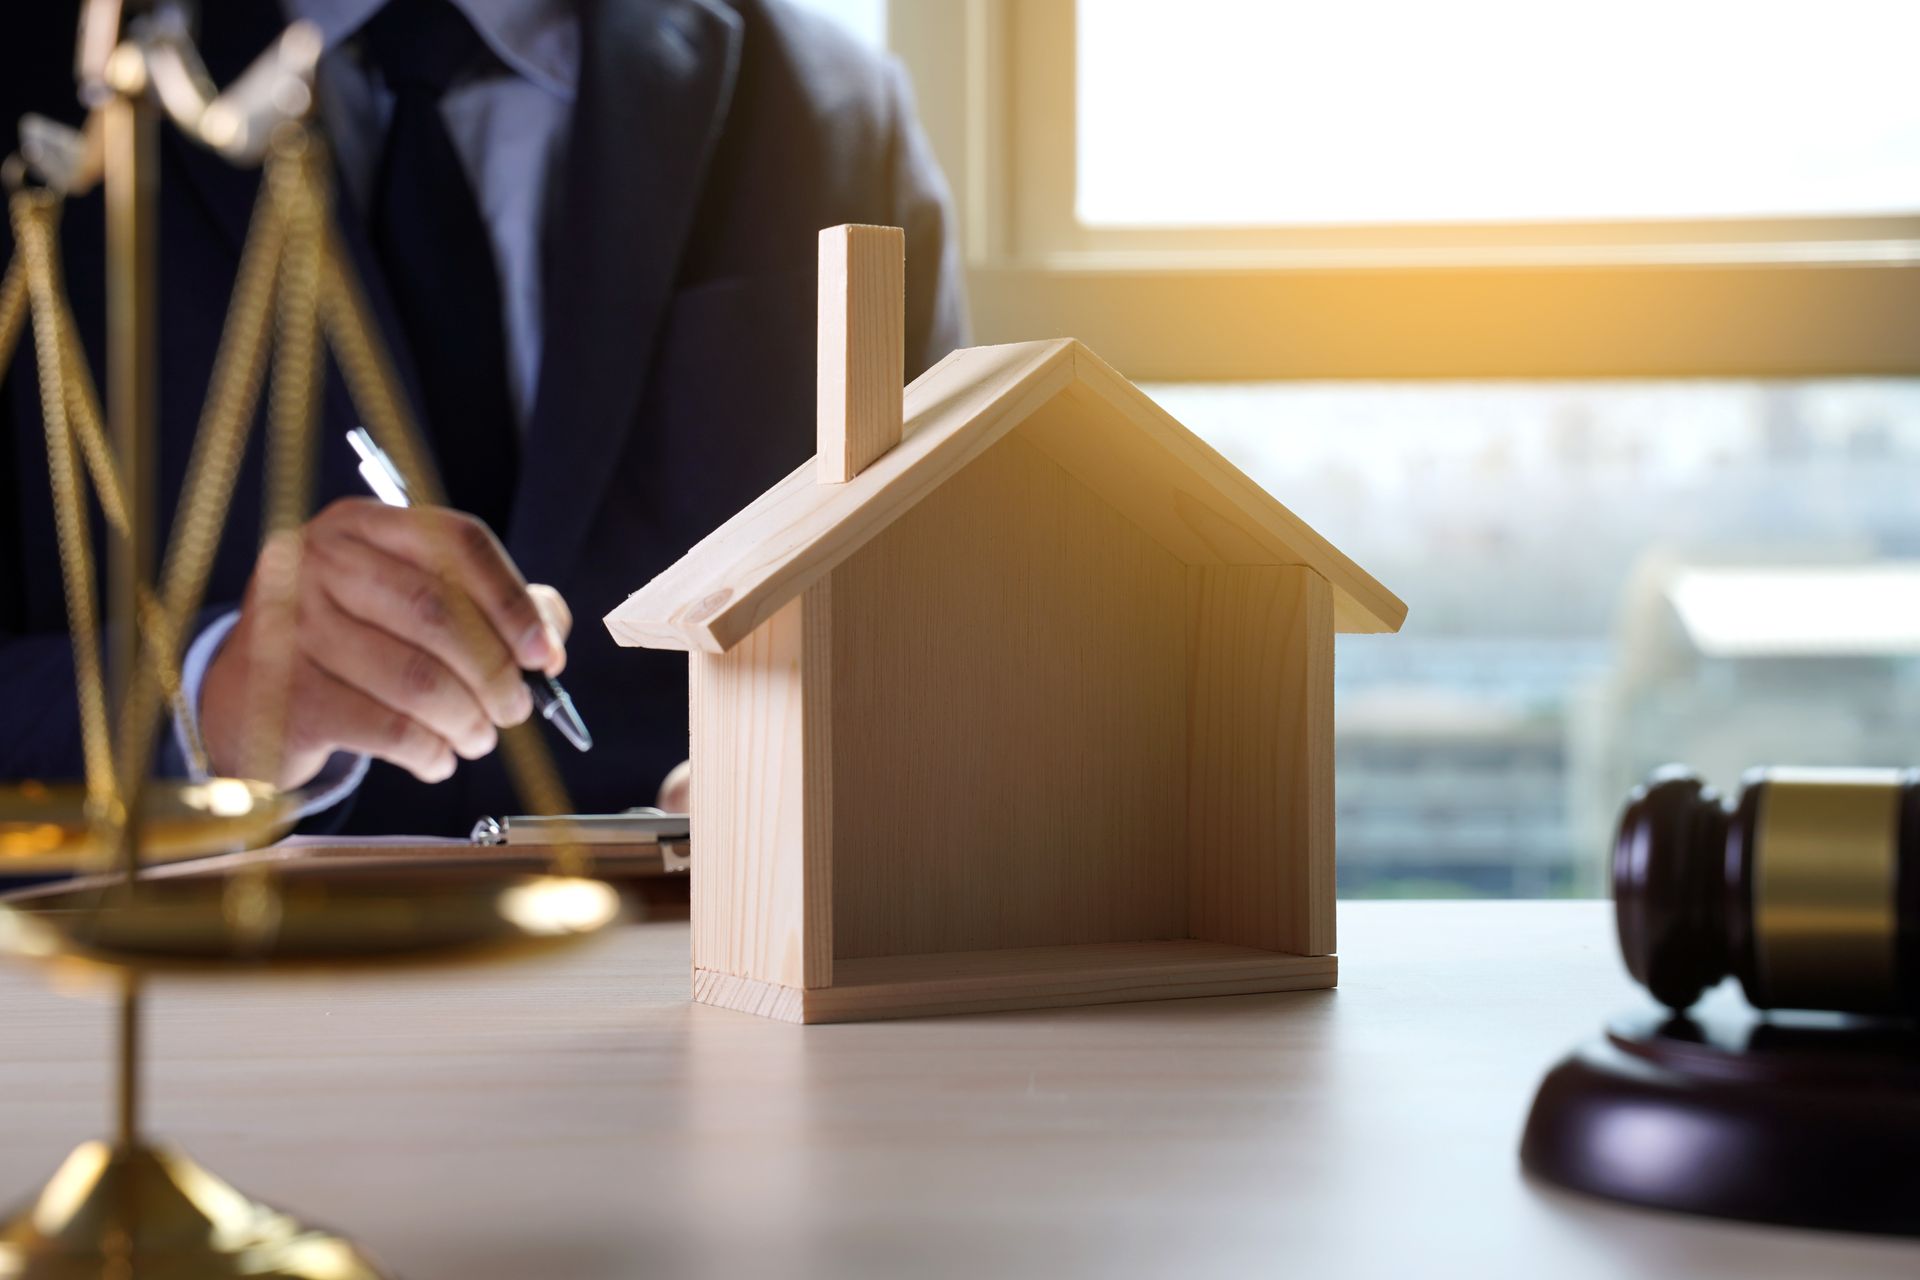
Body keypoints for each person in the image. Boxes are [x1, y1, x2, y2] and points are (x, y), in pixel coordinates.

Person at [0, 0, 966, 833]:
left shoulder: (833, 110)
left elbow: (942, 645)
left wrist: (849, 780)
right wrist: (203, 695)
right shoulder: (62, 86)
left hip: (687, 977)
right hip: (189, 994)